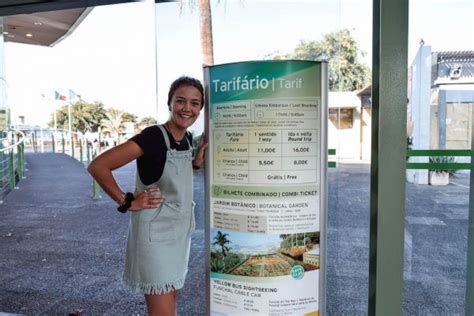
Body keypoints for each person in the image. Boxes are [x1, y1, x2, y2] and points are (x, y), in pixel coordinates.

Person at [87, 76, 207, 316]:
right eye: (180, 101)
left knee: (171, 300)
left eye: (194, 103)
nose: (187, 108)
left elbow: (170, 180)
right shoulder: (153, 136)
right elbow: (99, 166)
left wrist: (195, 163)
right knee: (162, 308)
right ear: (169, 103)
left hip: (178, 235)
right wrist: (127, 201)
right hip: (155, 237)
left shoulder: (186, 140)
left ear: (200, 108)